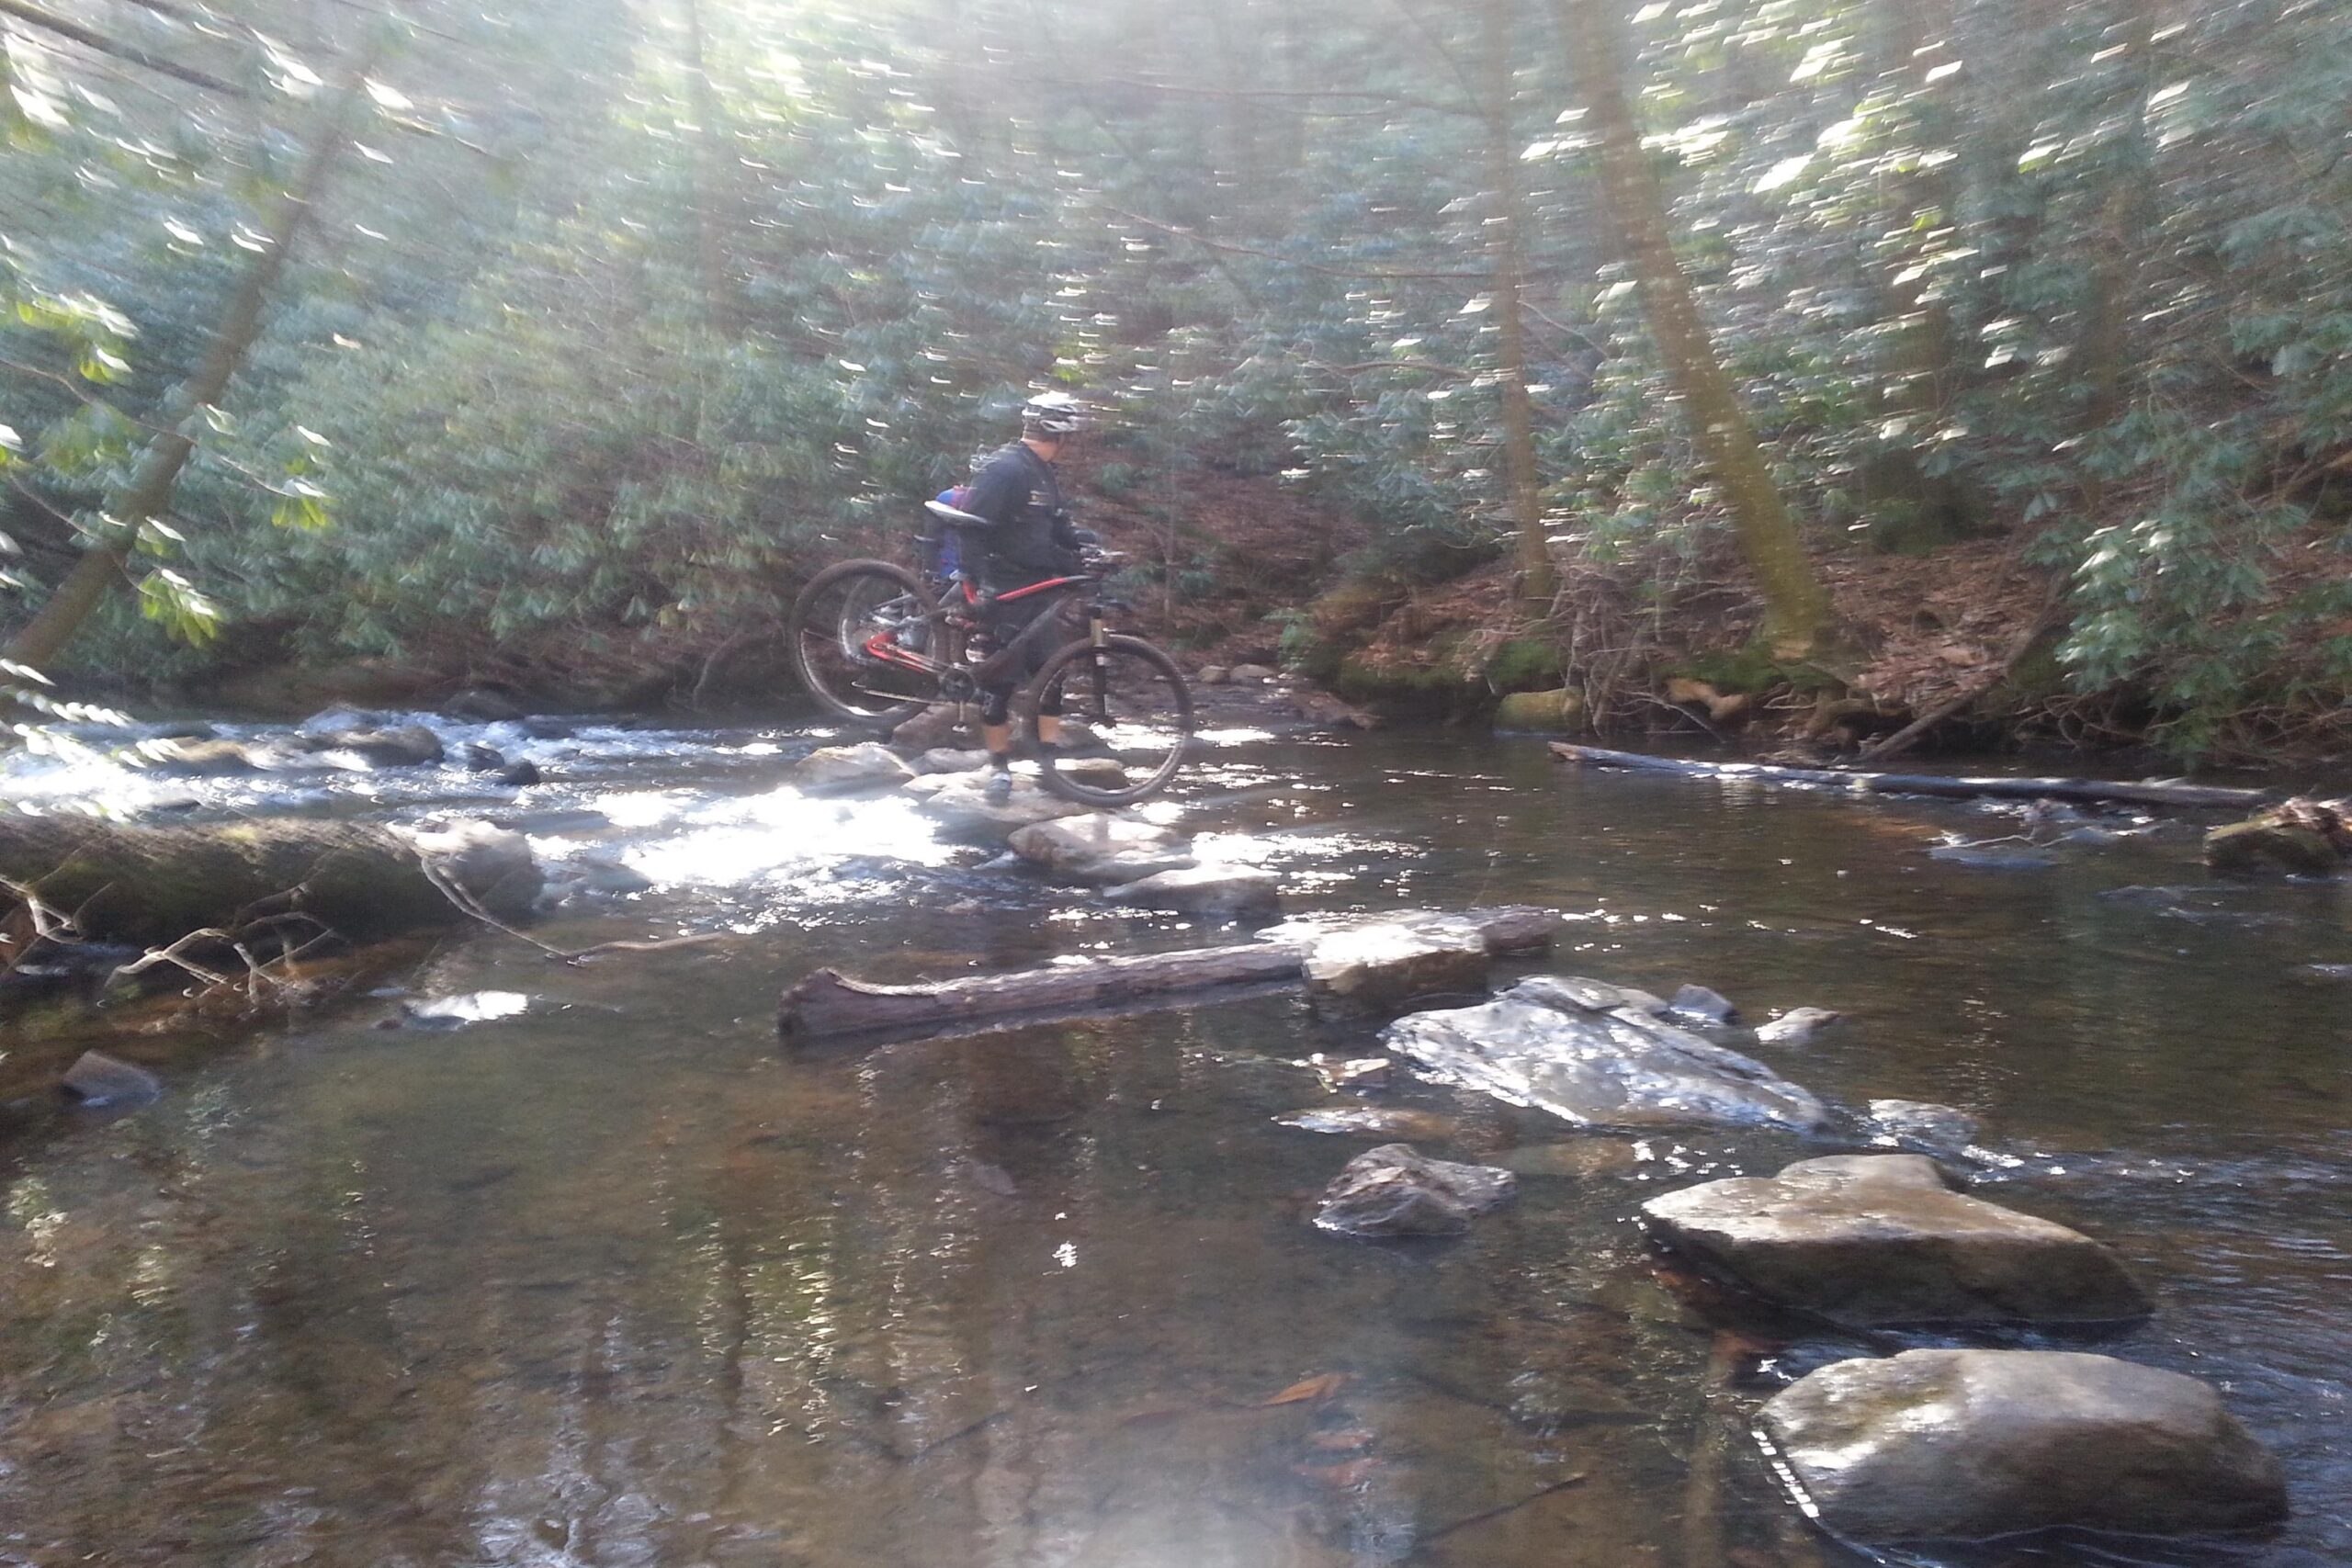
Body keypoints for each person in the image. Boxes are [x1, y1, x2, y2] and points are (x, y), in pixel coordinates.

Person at [958, 391, 1091, 802]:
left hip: (1039, 586)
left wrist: (1087, 548)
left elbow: (1056, 525)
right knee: (999, 682)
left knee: (1052, 675)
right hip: (1006, 586)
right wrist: (976, 585)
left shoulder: (1043, 472)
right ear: (1061, 435)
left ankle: (1047, 765)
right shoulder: (1006, 469)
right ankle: (999, 769)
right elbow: (970, 527)